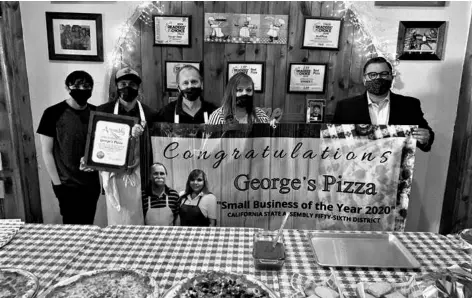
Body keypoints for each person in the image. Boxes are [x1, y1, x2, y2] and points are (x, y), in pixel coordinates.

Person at [37, 70, 101, 224]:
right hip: (67, 184)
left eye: (87, 86)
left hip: (91, 184)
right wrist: (57, 184)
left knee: (88, 225)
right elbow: (47, 152)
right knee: (71, 228)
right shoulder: (52, 113)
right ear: (67, 87)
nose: (82, 89)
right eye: (77, 85)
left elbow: (101, 146)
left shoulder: (96, 112)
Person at [332, 56, 434, 152]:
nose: (378, 78)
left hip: (395, 167)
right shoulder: (345, 107)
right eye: (372, 75)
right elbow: (333, 141)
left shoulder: (409, 105)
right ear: (364, 79)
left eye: (384, 74)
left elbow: (425, 135)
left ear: (391, 78)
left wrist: (426, 138)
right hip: (355, 165)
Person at [97, 67, 159, 225]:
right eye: (122, 83)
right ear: (116, 86)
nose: (127, 88)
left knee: (141, 217)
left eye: (132, 84)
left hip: (141, 174)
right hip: (113, 173)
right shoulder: (103, 111)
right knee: (117, 217)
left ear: (138, 87)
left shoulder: (150, 114)